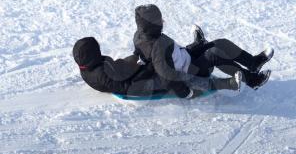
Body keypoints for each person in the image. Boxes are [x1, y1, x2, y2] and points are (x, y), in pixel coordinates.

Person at [133, 4, 273, 98]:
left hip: (186, 57)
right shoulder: (158, 47)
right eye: (160, 20)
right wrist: (185, 93)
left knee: (221, 43)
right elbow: (167, 76)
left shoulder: (139, 37)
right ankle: (252, 80)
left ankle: (253, 63)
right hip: (192, 71)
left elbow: (139, 53)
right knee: (214, 53)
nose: (163, 21)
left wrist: (139, 62)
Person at [73, 37, 242, 98]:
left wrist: (135, 59)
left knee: (162, 53)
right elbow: (127, 87)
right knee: (178, 75)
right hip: (142, 83)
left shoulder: (87, 67)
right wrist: (150, 69)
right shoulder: (102, 73)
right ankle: (228, 84)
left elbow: (118, 68)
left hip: (133, 73)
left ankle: (196, 46)